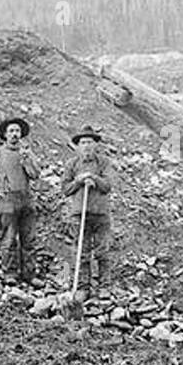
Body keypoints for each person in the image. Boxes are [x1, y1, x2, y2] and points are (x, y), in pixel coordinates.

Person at [0, 116, 41, 282]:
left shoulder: (27, 153)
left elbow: (35, 175)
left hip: (27, 199)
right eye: (11, 131)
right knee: (9, 239)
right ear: (5, 135)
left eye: (17, 131)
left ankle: (29, 274)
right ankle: (10, 274)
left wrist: (27, 160)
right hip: (7, 200)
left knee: (29, 239)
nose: (14, 134)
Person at [61, 125, 115, 297]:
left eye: (90, 142)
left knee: (102, 251)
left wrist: (94, 179)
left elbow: (107, 186)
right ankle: (83, 288)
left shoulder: (104, 162)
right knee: (81, 252)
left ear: (96, 145)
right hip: (79, 213)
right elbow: (65, 189)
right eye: (83, 142)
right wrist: (78, 181)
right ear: (78, 146)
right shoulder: (72, 164)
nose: (87, 146)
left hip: (101, 214)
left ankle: (104, 287)